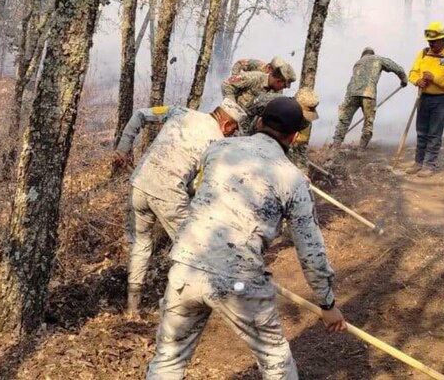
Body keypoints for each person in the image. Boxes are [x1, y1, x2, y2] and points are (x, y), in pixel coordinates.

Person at [146, 97, 345, 379]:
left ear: (259, 122)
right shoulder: (293, 180)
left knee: (168, 359)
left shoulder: (218, 149)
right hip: (239, 281)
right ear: (294, 137)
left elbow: (197, 188)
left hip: (185, 269)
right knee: (275, 361)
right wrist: (327, 304)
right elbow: (311, 251)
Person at [112, 99, 247, 316]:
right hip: (169, 195)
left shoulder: (180, 112)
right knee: (191, 251)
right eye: (233, 130)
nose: (232, 134)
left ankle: (132, 308)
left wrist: (123, 149)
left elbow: (140, 114)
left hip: (139, 185)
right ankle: (192, 305)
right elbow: (199, 186)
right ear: (227, 124)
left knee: (140, 245)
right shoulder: (217, 143)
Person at [405, 22, 444, 177]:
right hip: (423, 97)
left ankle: (429, 165)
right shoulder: (423, 53)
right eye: (429, 42)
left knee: (434, 133)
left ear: (443, 40)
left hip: (442, 99)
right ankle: (418, 163)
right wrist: (417, 81)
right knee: (421, 132)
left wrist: (434, 78)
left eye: (434, 42)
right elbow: (413, 72)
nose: (431, 45)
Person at [332, 47, 407, 148]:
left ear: (363, 55)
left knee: (344, 121)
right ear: (372, 54)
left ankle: (335, 148)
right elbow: (395, 66)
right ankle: (361, 150)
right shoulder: (378, 59)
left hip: (351, 94)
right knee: (368, 123)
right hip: (368, 94)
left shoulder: (358, 63)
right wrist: (403, 78)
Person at [221, 56, 296, 108]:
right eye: (284, 85)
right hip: (241, 96)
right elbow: (228, 83)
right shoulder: (256, 73)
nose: (284, 88)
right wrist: (231, 104)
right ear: (269, 67)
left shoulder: (277, 90)